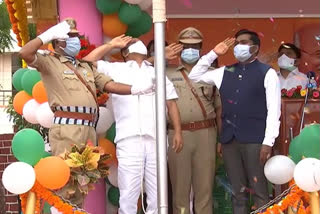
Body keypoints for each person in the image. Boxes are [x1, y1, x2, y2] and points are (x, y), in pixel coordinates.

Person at [19, 19, 154, 206]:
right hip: (67, 128)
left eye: (78, 37)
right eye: (72, 37)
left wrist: (136, 89)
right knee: (64, 182)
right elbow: (25, 52)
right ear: (58, 42)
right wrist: (48, 34)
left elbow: (109, 85)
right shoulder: (51, 62)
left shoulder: (85, 67)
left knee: (81, 185)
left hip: (88, 129)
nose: (77, 40)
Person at [84, 38, 183, 214]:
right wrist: (111, 45)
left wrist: (177, 131)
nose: (138, 42)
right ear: (125, 52)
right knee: (128, 191)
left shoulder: (156, 72)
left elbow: (171, 104)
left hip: (157, 139)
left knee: (157, 192)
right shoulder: (115, 69)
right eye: (132, 42)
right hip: (128, 139)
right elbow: (87, 62)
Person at [189, 29, 281, 214]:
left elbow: (274, 109)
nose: (239, 46)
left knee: (260, 191)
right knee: (237, 192)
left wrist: (268, 142)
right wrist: (214, 53)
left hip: (256, 140)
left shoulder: (268, 73)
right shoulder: (224, 71)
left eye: (244, 42)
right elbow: (194, 75)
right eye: (237, 42)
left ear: (255, 48)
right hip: (230, 140)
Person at [166, 27, 222, 214]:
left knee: (204, 187)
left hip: (206, 133)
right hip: (177, 134)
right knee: (180, 188)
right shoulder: (166, 72)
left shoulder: (213, 73)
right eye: (185, 46)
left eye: (195, 46)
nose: (190, 50)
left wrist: (220, 138)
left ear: (201, 48)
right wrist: (162, 56)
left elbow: (220, 108)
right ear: (178, 48)